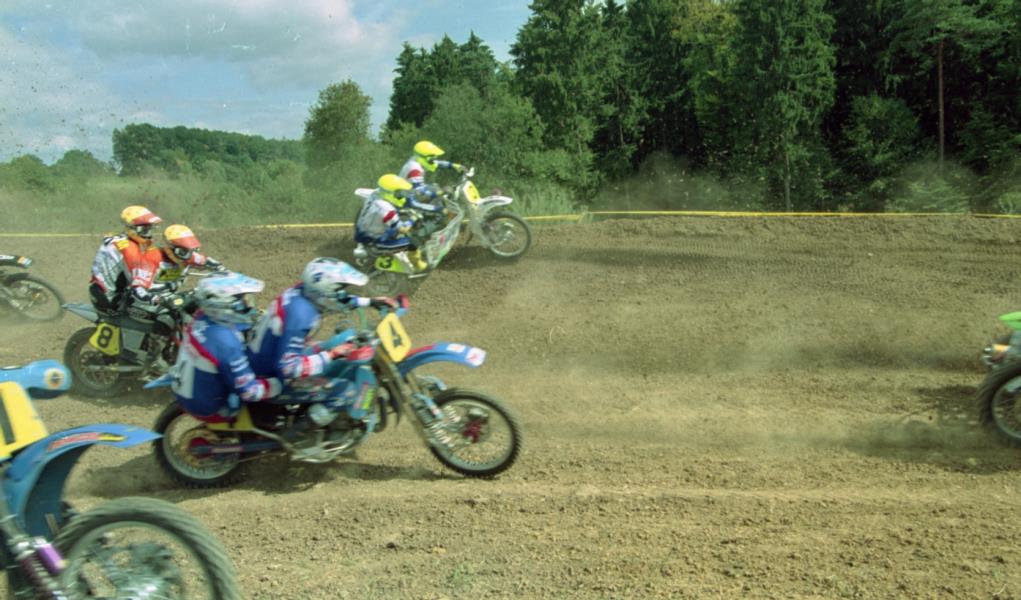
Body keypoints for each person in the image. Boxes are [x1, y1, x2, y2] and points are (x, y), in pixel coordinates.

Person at [248, 257, 396, 387]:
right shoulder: (302, 315)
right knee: (345, 390)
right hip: (270, 377)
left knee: (341, 340)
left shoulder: (302, 291)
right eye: (340, 289)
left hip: (265, 355)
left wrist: (371, 302)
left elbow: (336, 299)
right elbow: (287, 368)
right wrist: (332, 355)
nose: (343, 293)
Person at [171, 271, 282, 419]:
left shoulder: (202, 317)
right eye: (243, 302)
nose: (249, 306)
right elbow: (249, 391)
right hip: (209, 407)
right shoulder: (225, 342)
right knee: (270, 411)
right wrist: (279, 385)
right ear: (223, 306)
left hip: (191, 386)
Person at [89, 205, 164, 314]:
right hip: (112, 300)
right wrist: (156, 297)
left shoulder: (117, 239)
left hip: (98, 290)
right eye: (144, 230)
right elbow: (138, 288)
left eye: (149, 229)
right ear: (131, 228)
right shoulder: (130, 249)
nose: (149, 235)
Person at [354, 174, 436, 272]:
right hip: (376, 244)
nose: (402, 195)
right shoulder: (386, 208)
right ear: (390, 193)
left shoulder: (375, 194)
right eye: (399, 193)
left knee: (396, 226)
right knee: (413, 242)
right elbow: (403, 229)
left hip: (365, 233)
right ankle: (419, 267)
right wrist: (413, 218)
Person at [153, 224, 226, 293]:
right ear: (171, 247)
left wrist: (222, 269)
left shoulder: (188, 256)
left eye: (188, 250)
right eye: (183, 251)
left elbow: (206, 261)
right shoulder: (154, 258)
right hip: (153, 297)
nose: (188, 255)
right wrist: (169, 285)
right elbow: (146, 287)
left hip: (172, 295)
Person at [398, 140, 465, 203]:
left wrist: (455, 166)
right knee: (437, 192)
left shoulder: (418, 160)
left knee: (435, 187)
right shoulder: (415, 169)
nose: (435, 158)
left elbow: (438, 163)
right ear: (426, 157)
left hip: (413, 192)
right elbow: (420, 194)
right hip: (409, 198)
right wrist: (441, 192)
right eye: (433, 157)